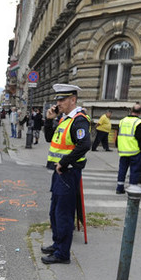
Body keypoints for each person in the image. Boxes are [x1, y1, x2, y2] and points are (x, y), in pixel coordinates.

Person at [40, 83, 91, 264]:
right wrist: (48, 120)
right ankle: (57, 245)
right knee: (54, 212)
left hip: (68, 172)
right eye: (58, 100)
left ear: (73, 99)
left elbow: (84, 145)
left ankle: (62, 254)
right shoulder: (65, 119)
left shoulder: (79, 119)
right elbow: (49, 138)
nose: (58, 103)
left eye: (62, 99)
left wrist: (64, 162)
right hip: (59, 172)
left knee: (63, 215)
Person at [115, 103, 141, 194]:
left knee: (122, 169)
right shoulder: (139, 122)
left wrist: (118, 146)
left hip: (123, 150)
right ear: (140, 112)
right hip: (134, 150)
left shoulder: (122, 121)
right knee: (134, 170)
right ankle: (132, 187)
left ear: (131, 110)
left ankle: (119, 187)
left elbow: (118, 135)